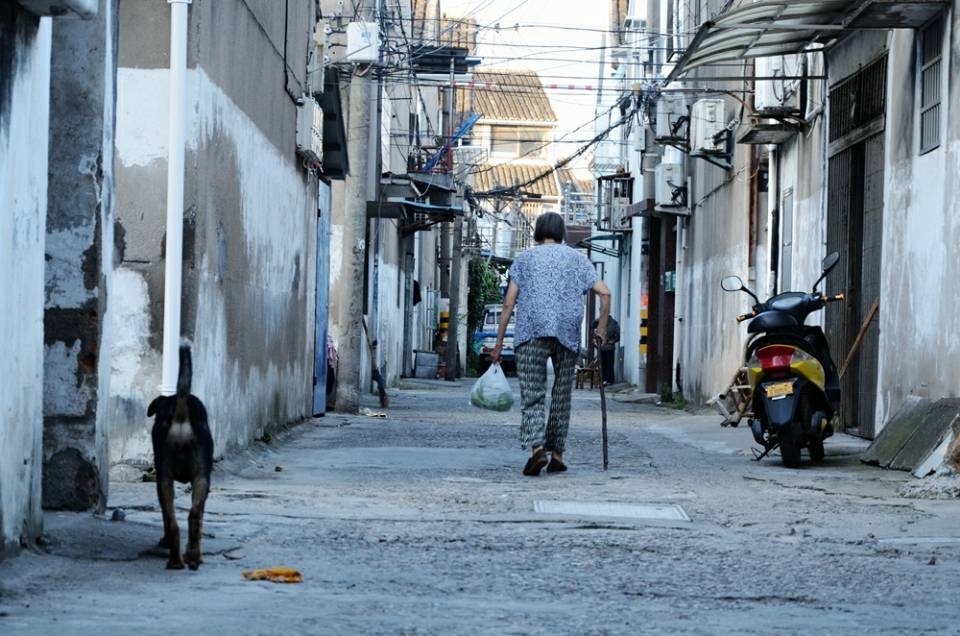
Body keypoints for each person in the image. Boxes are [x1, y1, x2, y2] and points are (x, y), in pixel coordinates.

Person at [491, 212, 611, 476]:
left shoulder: (525, 259)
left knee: (532, 395)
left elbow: (509, 303)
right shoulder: (578, 260)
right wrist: (600, 329)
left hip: (531, 333)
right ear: (562, 233)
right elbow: (605, 293)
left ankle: (537, 450)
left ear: (537, 232)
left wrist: (499, 343)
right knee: (561, 396)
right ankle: (557, 454)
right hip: (566, 334)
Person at [591, 316, 620, 386]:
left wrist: (611, 341)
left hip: (609, 347)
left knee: (609, 364)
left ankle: (609, 380)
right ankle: (604, 380)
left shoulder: (613, 323)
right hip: (602, 347)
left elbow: (617, 335)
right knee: (603, 364)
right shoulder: (600, 322)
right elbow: (592, 326)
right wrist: (596, 320)